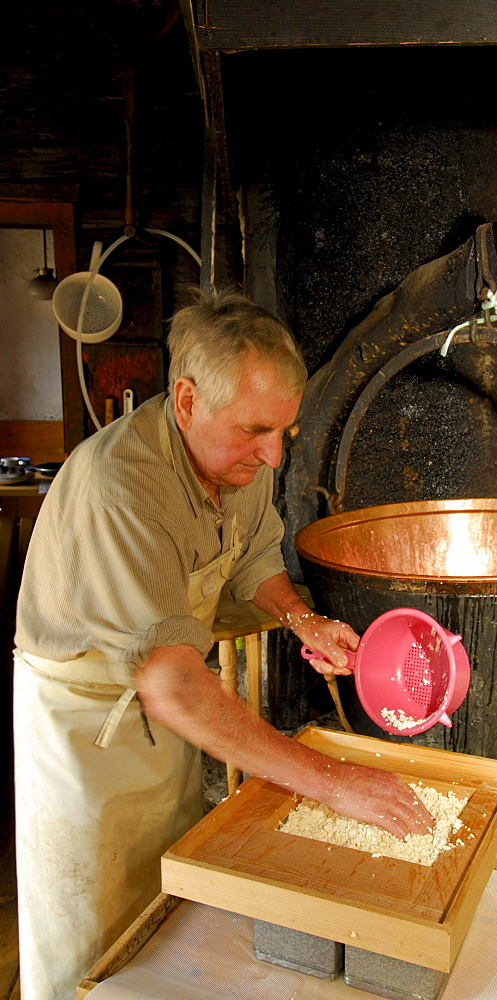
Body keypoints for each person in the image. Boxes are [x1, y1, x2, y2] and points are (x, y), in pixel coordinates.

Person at [13, 289, 433, 1000]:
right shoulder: (123, 488)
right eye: (255, 431)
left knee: (162, 912)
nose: (272, 456)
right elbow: (173, 684)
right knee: (87, 935)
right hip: (84, 735)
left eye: (284, 433)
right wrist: (336, 784)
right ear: (185, 400)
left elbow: (254, 557)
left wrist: (302, 620)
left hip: (166, 717)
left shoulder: (230, 461)